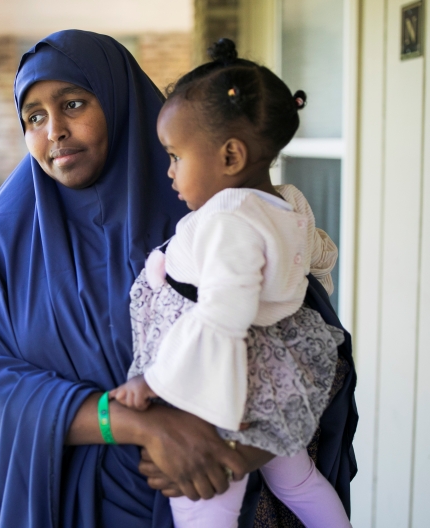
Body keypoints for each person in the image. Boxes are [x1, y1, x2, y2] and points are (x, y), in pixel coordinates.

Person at [0, 30, 357, 528]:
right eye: (33, 116)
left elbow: (308, 346)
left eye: (73, 103)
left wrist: (246, 451)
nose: (54, 130)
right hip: (68, 507)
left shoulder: (213, 208)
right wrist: (139, 425)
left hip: (216, 489)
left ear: (120, 103)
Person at [107, 39, 351, 528]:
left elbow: (221, 317)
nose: (170, 171)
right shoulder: (288, 202)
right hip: (275, 371)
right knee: (298, 481)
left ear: (231, 155)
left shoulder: (227, 219)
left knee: (205, 508)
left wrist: (153, 381)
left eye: (176, 155)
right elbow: (321, 253)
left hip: (223, 384)